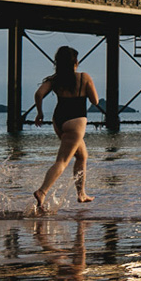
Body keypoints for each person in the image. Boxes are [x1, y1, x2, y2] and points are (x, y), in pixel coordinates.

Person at [31, 46, 99, 211]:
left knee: (82, 155)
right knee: (62, 161)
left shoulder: (55, 80)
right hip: (75, 122)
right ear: (75, 62)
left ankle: (81, 194)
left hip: (59, 121)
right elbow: (95, 101)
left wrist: (40, 113)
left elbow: (39, 94)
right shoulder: (84, 77)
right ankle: (42, 191)